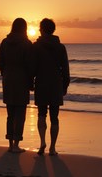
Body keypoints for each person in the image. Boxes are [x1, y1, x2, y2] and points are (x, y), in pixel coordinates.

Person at [32, 18, 70, 156]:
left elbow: (32, 67)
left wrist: (31, 83)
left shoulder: (36, 46)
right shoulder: (60, 47)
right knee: (55, 117)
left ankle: (42, 142)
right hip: (56, 84)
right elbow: (65, 69)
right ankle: (52, 148)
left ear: (42, 29)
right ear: (53, 30)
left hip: (41, 82)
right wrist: (65, 85)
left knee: (41, 114)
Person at [0, 18, 33, 153]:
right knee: (20, 113)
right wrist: (31, 81)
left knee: (10, 113)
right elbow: (30, 65)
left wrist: (5, 74)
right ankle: (16, 144)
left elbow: (0, 61)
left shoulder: (5, 42)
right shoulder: (26, 44)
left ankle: (10, 143)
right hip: (22, 80)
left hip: (8, 79)